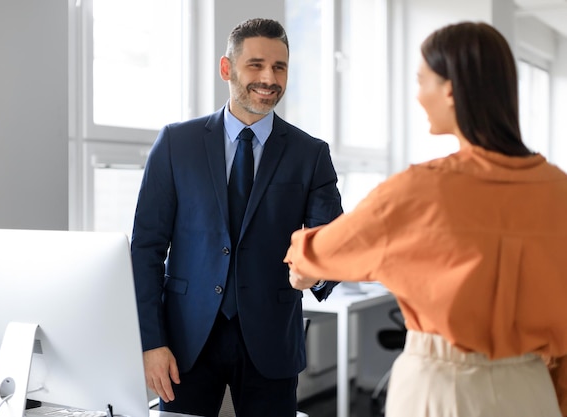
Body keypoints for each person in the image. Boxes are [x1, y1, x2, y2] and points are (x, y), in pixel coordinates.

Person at [284, 21, 567, 417]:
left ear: (450, 89)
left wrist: (301, 268)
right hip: (531, 390)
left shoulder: (421, 189)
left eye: (422, 81)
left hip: (443, 390)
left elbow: (319, 252)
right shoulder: (559, 190)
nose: (417, 96)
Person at [130, 18, 343, 417]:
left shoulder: (309, 153)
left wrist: (317, 271)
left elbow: (329, 243)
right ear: (227, 68)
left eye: (280, 67)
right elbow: (146, 248)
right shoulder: (177, 144)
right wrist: (149, 342)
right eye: (257, 65)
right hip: (184, 341)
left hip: (271, 341)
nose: (269, 78)